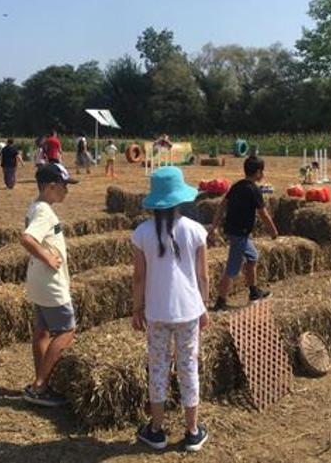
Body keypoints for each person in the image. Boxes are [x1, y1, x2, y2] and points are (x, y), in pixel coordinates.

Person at [132, 166, 209, 452]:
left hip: (156, 312)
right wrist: (204, 307)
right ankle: (192, 431)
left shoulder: (141, 233)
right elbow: (203, 276)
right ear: (180, 199)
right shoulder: (196, 230)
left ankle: (156, 430)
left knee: (158, 369)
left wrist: (136, 308)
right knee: (189, 367)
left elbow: (139, 277)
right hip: (189, 310)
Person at [21, 163, 78, 407]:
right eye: (65, 186)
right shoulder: (44, 211)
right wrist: (47, 257)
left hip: (37, 281)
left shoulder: (36, 206)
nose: (67, 191)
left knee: (42, 331)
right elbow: (27, 238)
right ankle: (40, 385)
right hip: (50, 282)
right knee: (66, 331)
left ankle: (41, 382)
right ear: (52, 186)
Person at [209, 155, 278, 311]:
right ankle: (220, 302)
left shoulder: (237, 186)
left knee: (252, 257)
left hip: (236, 232)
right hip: (239, 233)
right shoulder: (254, 190)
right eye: (262, 172)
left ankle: (253, 292)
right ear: (258, 172)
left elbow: (222, 206)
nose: (263, 175)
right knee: (233, 267)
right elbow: (264, 214)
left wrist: (214, 226)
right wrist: (273, 231)